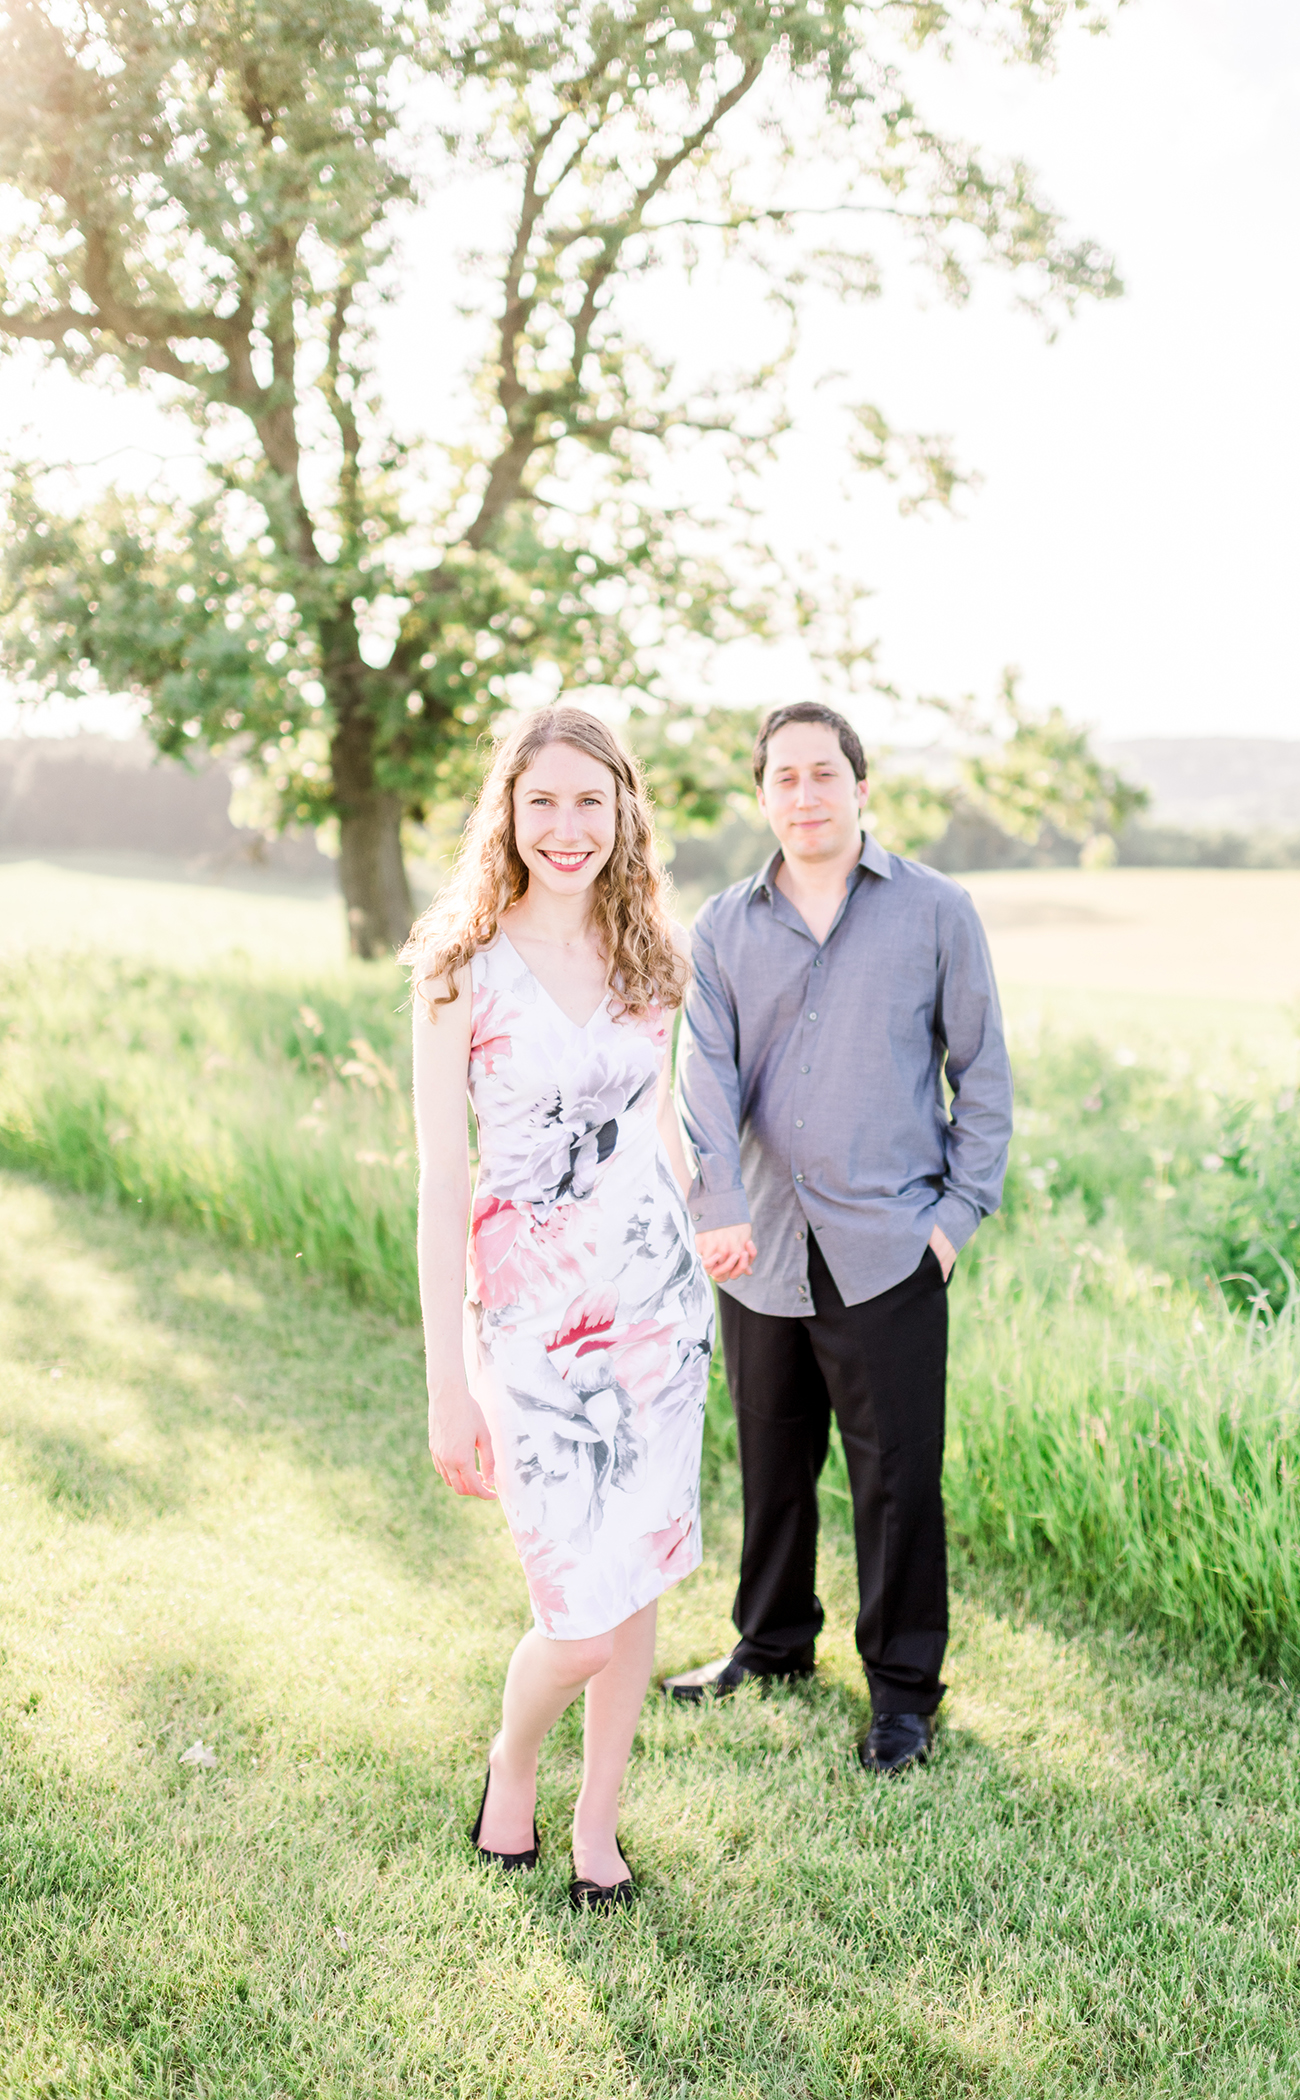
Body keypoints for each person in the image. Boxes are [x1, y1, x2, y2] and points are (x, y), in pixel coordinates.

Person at [402, 705, 712, 1909]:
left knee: (631, 1582)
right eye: (544, 802)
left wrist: (706, 1234)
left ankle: (597, 1824)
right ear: (509, 812)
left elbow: (658, 1131)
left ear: (624, 806)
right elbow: (440, 1179)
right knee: (574, 1614)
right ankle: (509, 1764)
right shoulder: (456, 966)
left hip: (655, 1313)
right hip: (527, 1324)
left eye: (591, 801)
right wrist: (448, 1379)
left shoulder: (652, 957)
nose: (568, 826)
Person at [667, 701, 1013, 1772]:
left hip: (890, 1247)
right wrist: (714, 1199)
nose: (805, 796)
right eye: (785, 778)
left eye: (825, 775)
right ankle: (769, 1646)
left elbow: (985, 1079)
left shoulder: (936, 912)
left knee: (898, 1481)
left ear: (860, 787)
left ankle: (903, 1693)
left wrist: (953, 1222)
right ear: (762, 795)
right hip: (760, 1244)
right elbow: (704, 1075)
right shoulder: (723, 925)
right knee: (771, 1465)